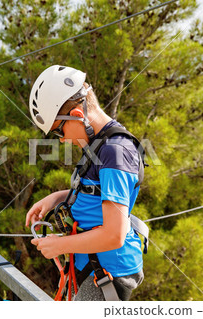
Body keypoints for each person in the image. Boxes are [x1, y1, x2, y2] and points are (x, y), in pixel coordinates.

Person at [26, 65, 144, 301]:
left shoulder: (115, 152)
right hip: (94, 265)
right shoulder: (100, 144)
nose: (62, 140)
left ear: (78, 116)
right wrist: (56, 198)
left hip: (108, 273)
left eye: (59, 131)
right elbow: (96, 193)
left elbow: (114, 235)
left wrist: (60, 246)